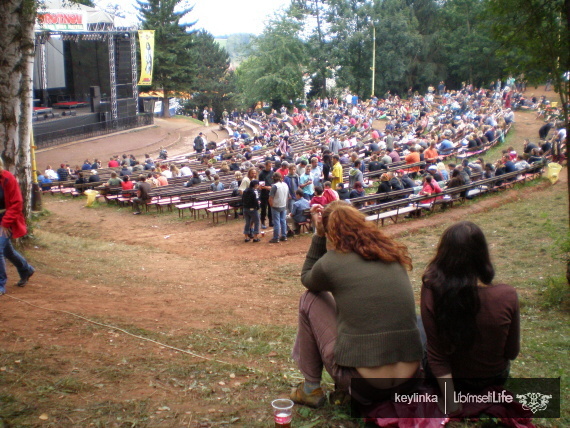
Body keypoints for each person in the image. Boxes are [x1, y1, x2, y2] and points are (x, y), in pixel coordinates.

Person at [290, 202, 423, 407]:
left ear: (330, 230)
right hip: (409, 381)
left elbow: (307, 278)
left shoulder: (332, 262)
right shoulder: (390, 254)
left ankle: (310, 388)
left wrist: (319, 235)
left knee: (310, 298)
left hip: (365, 386)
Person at [421, 221, 520, 414]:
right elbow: (512, 353)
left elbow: (437, 355)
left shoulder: (433, 290)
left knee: (419, 328)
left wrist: (451, 402)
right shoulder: (507, 295)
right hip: (493, 378)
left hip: (448, 380)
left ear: (444, 255)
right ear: (483, 254)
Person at [0, 157, 35, 294]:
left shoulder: (8, 178)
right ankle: (26, 269)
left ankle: (1, 283)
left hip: (6, 220)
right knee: (7, 251)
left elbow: (17, 203)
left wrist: (5, 223)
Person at [268, 172, 289, 243]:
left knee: (276, 221)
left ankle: (276, 237)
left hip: (276, 205)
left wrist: (271, 205)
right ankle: (284, 235)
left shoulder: (275, 186)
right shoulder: (285, 184)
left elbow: (271, 197)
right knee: (283, 221)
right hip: (283, 204)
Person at [258, 161, 274, 228]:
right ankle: (263, 222)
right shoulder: (261, 174)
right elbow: (261, 186)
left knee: (271, 208)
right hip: (264, 193)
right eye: (269, 166)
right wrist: (267, 187)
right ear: (266, 166)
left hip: (270, 193)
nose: (270, 167)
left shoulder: (272, 173)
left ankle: (271, 221)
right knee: (263, 209)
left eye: (271, 166)